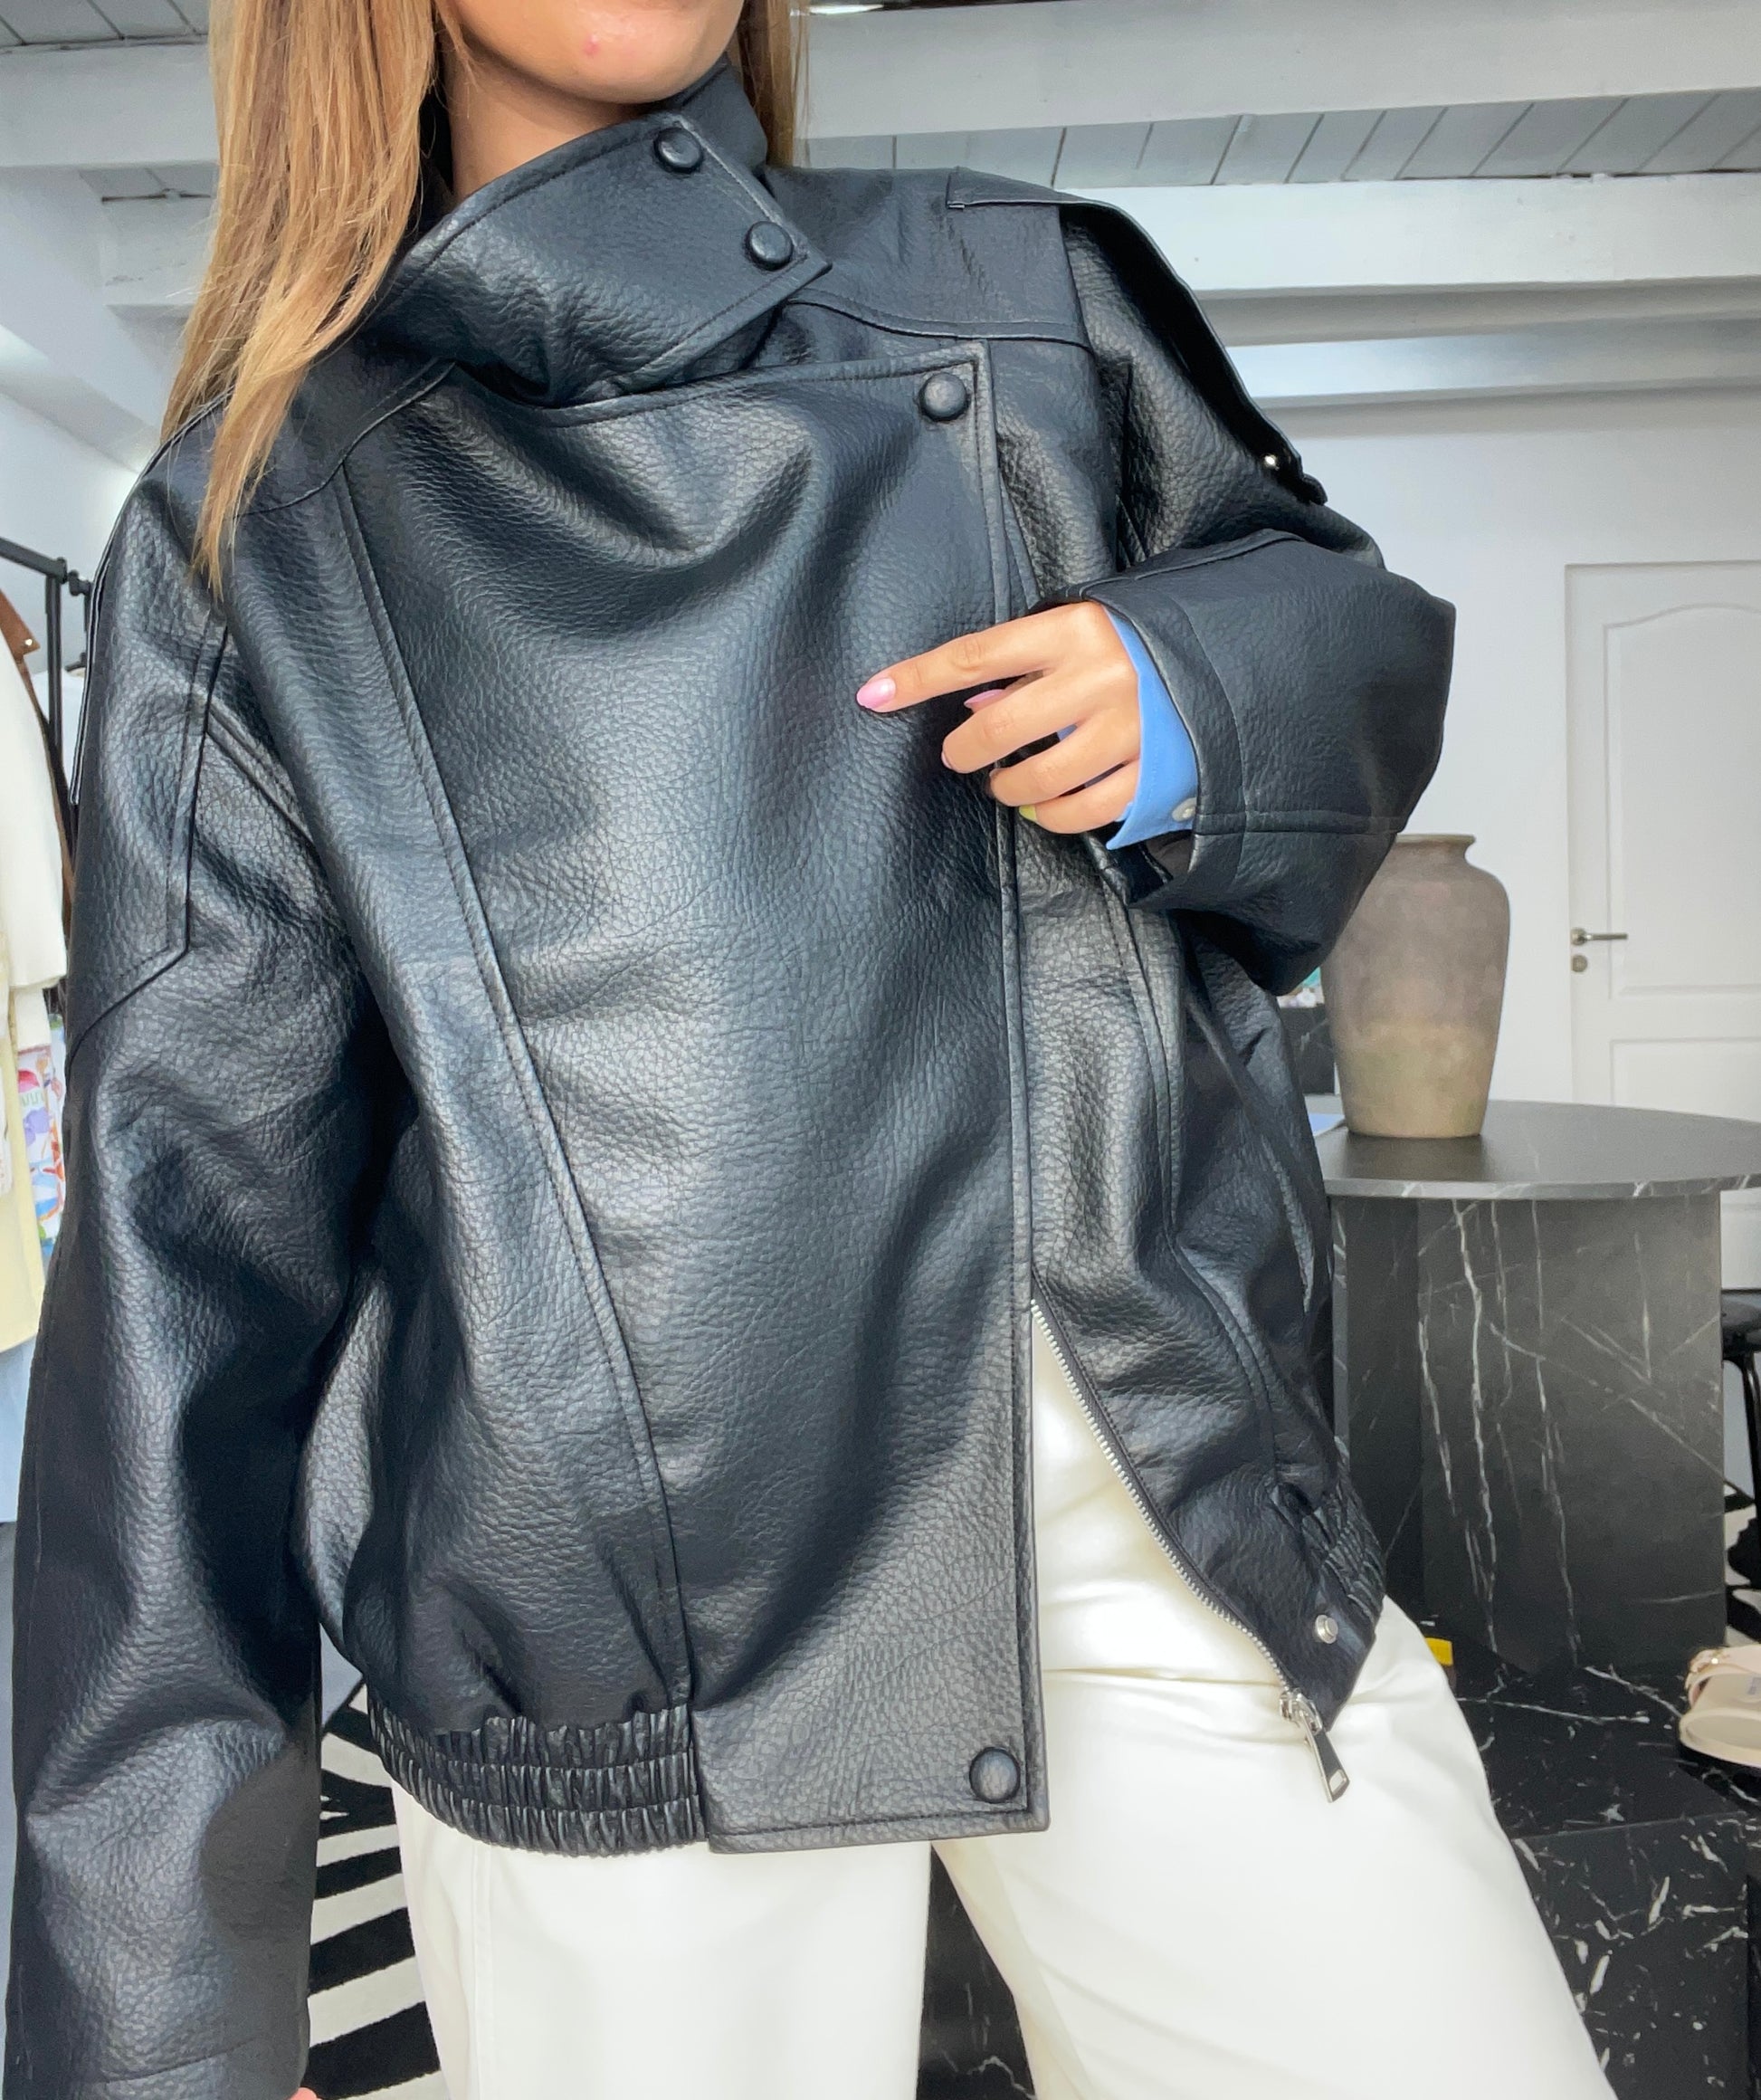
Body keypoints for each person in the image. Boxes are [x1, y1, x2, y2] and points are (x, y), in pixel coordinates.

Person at [6, 4, 1613, 2097]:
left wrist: (1190, 689)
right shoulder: (255, 519)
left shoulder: (1020, 288)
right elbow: (192, 1286)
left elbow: (1343, 621)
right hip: (607, 1653)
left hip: (1141, 1516)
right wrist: (154, 2035)